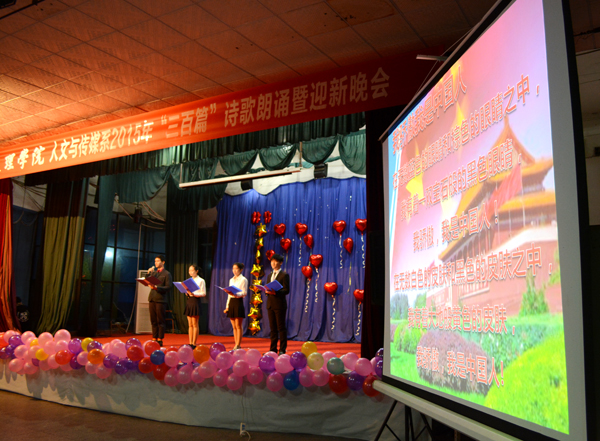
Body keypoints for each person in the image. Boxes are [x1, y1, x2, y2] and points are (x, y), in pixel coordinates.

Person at [264, 254, 290, 355]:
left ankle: (282, 349)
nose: (273, 263)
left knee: (281, 328)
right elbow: (268, 288)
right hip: (270, 304)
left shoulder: (284, 275)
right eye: (272, 261)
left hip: (279, 305)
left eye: (275, 262)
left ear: (281, 263)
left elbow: (286, 290)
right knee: (273, 329)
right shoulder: (269, 275)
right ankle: (273, 349)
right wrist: (266, 291)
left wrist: (276, 292)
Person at [146, 255, 172, 347]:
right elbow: (147, 281)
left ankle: (160, 339)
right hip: (152, 298)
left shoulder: (167, 274)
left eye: (157, 261)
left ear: (163, 262)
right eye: (155, 261)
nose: (156, 263)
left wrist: (157, 287)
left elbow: (168, 287)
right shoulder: (154, 273)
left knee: (160, 320)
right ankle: (154, 337)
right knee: (153, 319)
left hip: (160, 299)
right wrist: (148, 273)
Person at [223, 262, 247, 350]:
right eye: (233, 268)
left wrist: (236, 294)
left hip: (238, 301)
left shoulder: (243, 279)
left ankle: (238, 344)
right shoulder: (231, 280)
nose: (234, 270)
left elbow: (244, 293)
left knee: (238, 325)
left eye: (236, 269)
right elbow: (229, 295)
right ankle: (235, 344)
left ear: (241, 270)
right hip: (232, 302)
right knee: (233, 326)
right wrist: (227, 306)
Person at [184, 264, 206, 349]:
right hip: (189, 301)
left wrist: (194, 294)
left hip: (196, 301)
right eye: (189, 270)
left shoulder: (201, 280)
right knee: (190, 324)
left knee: (195, 323)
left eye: (192, 270)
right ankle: (190, 342)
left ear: (196, 271)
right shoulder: (188, 281)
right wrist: (187, 292)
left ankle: (194, 343)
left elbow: (203, 293)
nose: (190, 272)